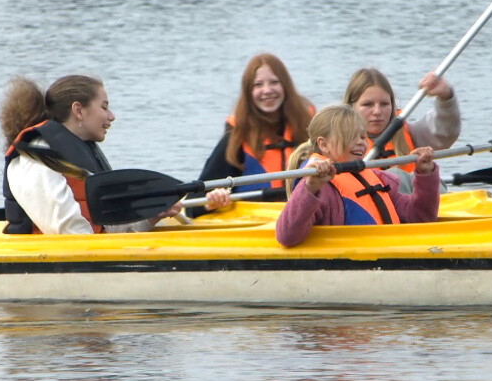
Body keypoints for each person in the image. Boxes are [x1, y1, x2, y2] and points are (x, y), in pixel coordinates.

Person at [0, 75, 181, 234]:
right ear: (78, 110)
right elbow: (68, 230)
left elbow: (108, 226)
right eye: (104, 107)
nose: (111, 116)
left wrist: (150, 217)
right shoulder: (37, 156)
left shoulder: (80, 152)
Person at [275, 105, 439, 247]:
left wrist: (425, 174)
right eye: (350, 136)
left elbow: (420, 217)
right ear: (324, 144)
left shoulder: (378, 178)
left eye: (362, 136)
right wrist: (310, 188)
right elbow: (286, 236)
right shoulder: (318, 185)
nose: (361, 142)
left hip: (386, 254)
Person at [187, 53, 315, 217]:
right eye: (258, 85)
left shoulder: (309, 132)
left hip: (304, 218)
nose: (267, 90)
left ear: (285, 86)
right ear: (249, 93)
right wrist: (211, 201)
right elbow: (193, 202)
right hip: (258, 223)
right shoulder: (235, 140)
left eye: (274, 82)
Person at [342, 68, 459, 193]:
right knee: (395, 174)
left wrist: (445, 97)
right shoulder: (335, 141)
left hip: (412, 204)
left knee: (428, 176)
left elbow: (445, 132)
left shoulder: (409, 133)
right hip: (365, 202)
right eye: (367, 104)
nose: (377, 112)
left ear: (392, 105)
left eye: (384, 104)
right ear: (351, 107)